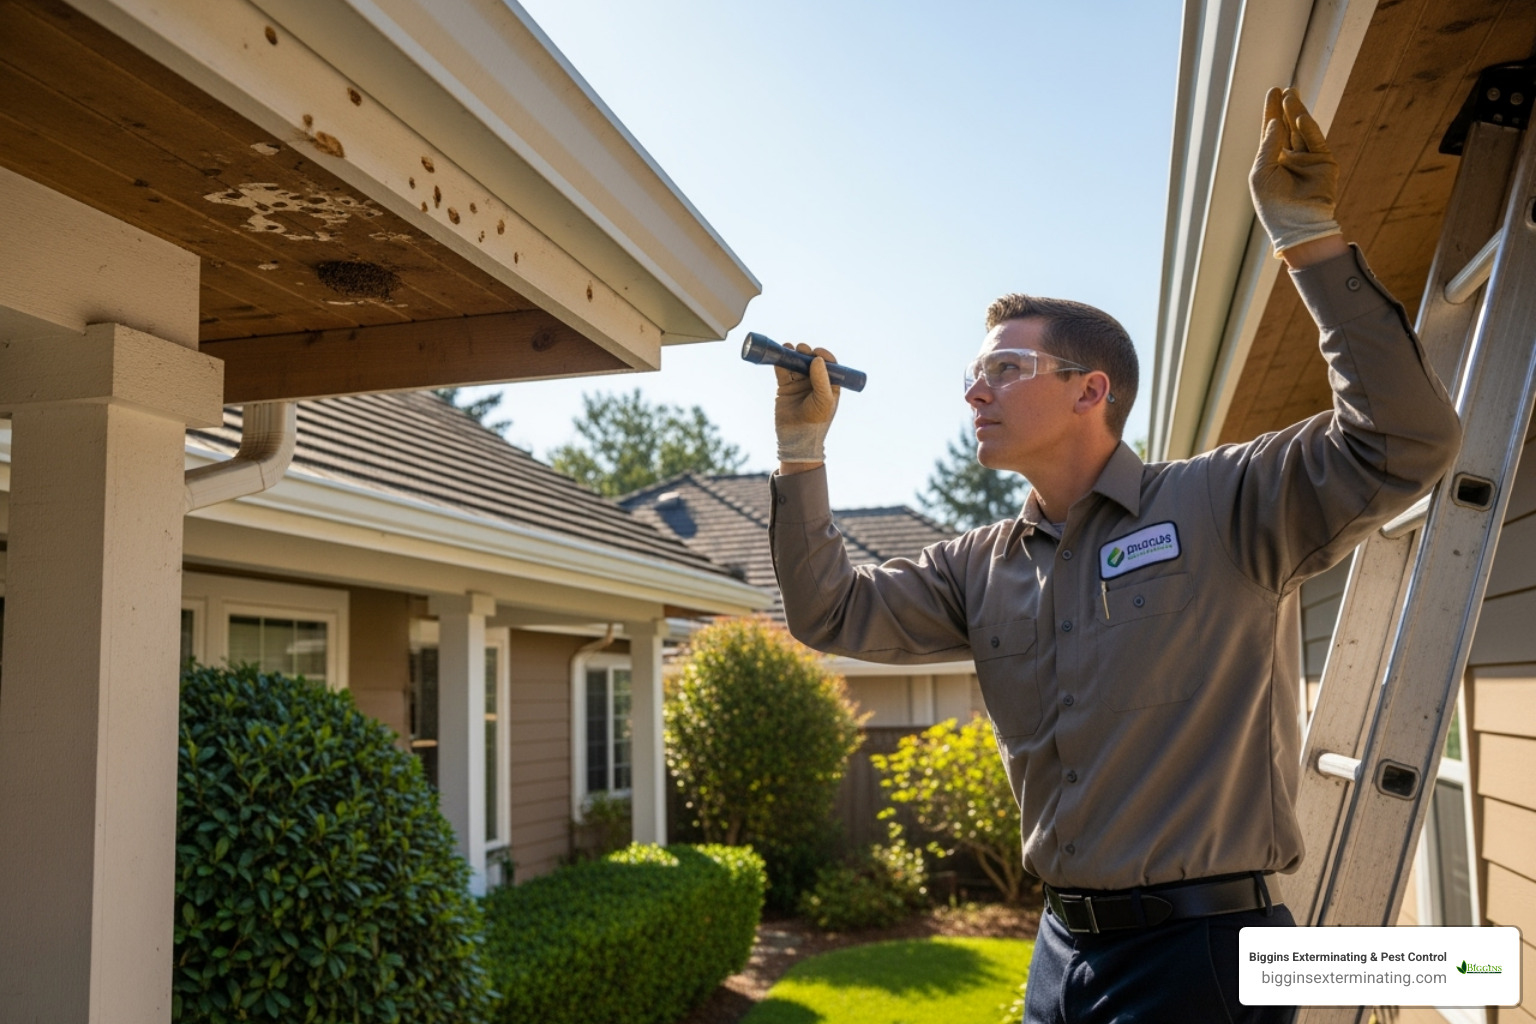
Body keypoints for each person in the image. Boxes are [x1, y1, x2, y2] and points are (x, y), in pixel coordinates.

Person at [765, 88, 1462, 1023]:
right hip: (1059, 953)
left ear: (1091, 389)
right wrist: (800, 449)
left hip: (1205, 959)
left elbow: (1404, 442)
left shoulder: (1220, 501)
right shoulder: (980, 566)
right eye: (972, 373)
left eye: (1004, 369)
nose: (975, 390)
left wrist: (1307, 239)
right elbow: (829, 613)